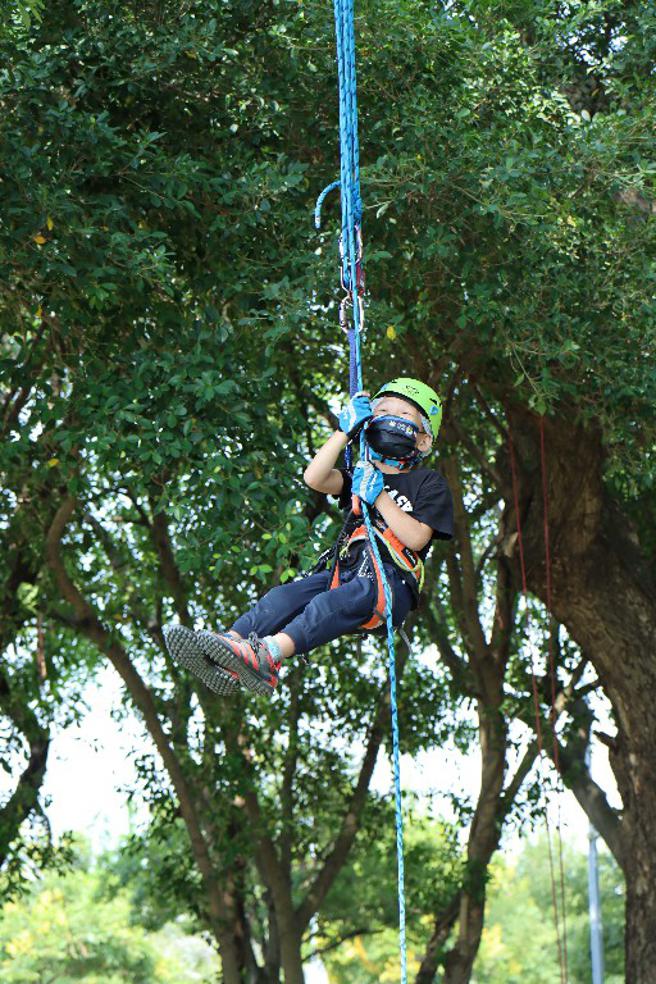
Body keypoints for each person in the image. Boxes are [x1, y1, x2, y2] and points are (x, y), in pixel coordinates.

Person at [164, 378, 453, 697]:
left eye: (402, 412)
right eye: (381, 410)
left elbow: (415, 538)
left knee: (329, 604)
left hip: (387, 583)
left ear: (424, 440)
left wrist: (380, 496)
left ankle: (268, 655)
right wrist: (344, 432)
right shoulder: (359, 476)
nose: (388, 415)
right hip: (344, 573)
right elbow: (314, 477)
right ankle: (232, 647)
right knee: (282, 598)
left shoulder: (429, 484)